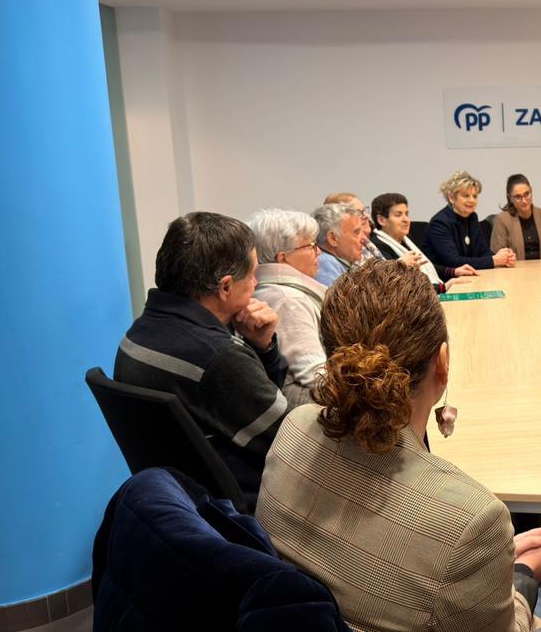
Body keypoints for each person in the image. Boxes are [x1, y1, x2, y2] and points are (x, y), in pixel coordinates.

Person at [256, 261, 541, 631]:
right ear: (443, 363)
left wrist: (487, 566)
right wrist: (520, 574)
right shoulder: (472, 518)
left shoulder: (294, 428)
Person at [114, 212, 291, 504]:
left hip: (182, 503)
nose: (256, 282)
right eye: (252, 274)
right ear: (225, 287)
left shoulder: (136, 334)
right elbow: (290, 441)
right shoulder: (219, 358)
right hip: (247, 507)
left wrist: (262, 346)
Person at [247, 208, 327, 407]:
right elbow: (315, 376)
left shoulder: (279, 291)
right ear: (282, 258)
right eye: (311, 246)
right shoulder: (287, 299)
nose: (319, 251)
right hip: (308, 411)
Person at [369, 192, 473, 292]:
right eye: (398, 215)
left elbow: (425, 266)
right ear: (381, 220)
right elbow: (400, 287)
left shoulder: (406, 239)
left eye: (406, 214)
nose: (406, 220)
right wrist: (443, 287)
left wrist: (454, 271)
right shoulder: (377, 247)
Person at [425, 170, 516, 270]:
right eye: (466, 196)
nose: (472, 200)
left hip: (468, 277)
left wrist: (503, 258)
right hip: (445, 281)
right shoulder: (440, 223)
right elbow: (454, 261)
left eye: (475, 196)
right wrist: (494, 260)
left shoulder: (472, 217)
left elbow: (482, 251)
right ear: (451, 198)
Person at [490, 173, 541, 260]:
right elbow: (498, 254)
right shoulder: (502, 220)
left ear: (531, 191)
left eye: (527, 194)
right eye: (518, 197)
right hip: (514, 271)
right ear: (510, 198)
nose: (524, 200)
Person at [313, 203, 367, 287]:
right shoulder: (326, 264)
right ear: (333, 238)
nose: (364, 239)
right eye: (357, 233)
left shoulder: (336, 263)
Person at [325, 192, 380, 261]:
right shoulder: (345, 252)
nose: (367, 216)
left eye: (364, 210)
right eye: (359, 212)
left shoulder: (367, 243)